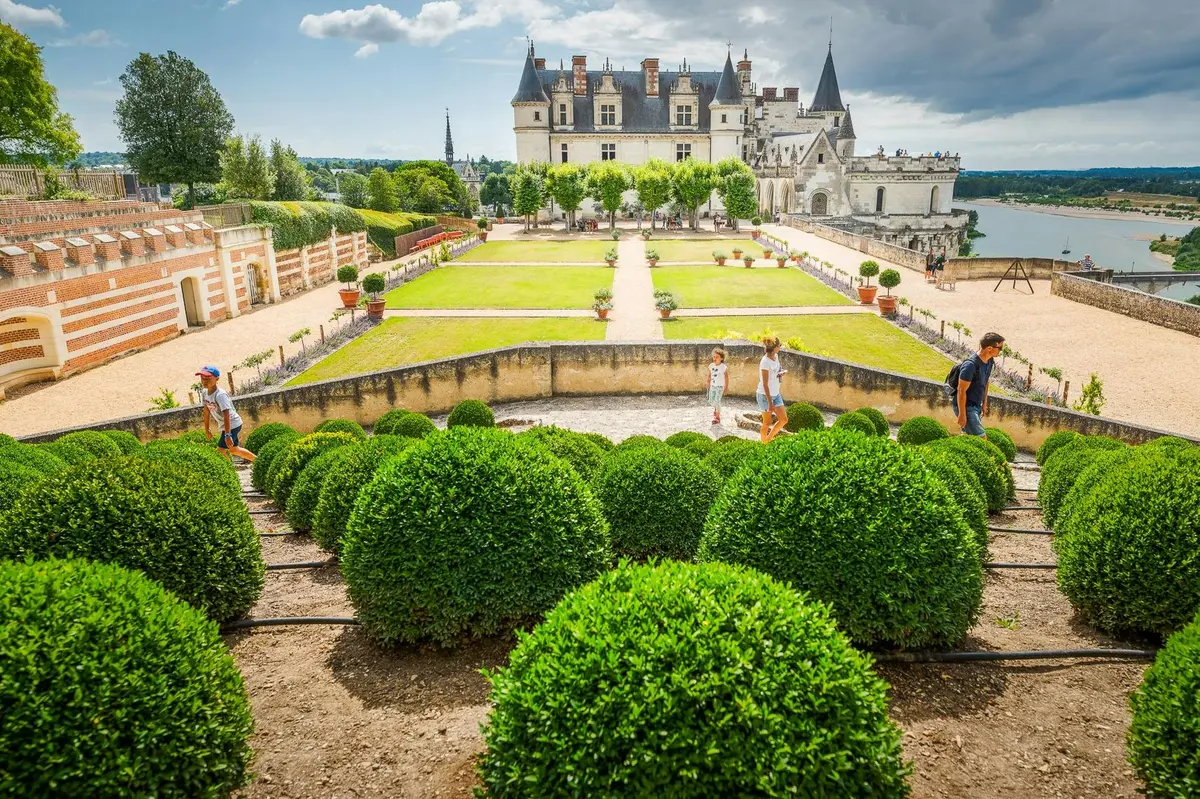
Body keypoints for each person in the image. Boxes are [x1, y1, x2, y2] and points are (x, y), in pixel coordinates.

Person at [196, 365, 256, 462]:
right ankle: (258, 461)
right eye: (202, 378)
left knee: (219, 451)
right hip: (227, 426)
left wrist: (228, 435)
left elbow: (226, 415)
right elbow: (206, 411)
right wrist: (207, 429)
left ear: (217, 379)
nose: (204, 381)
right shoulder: (204, 392)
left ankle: (230, 473)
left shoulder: (220, 395)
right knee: (234, 450)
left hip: (232, 424)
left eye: (208, 378)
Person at [951, 333, 1005, 437]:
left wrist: (984, 403)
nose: (1000, 351)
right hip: (966, 407)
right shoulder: (970, 366)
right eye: (1000, 348)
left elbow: (985, 382)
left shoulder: (989, 361)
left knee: (968, 436)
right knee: (981, 438)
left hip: (976, 405)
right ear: (989, 348)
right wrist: (962, 414)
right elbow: (961, 391)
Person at [756, 337, 789, 442]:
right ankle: (762, 444)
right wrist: (770, 403)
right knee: (766, 423)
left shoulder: (776, 356)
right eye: (779, 346)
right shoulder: (765, 362)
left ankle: (768, 440)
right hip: (765, 395)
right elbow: (765, 384)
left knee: (783, 419)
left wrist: (780, 373)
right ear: (775, 347)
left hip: (776, 393)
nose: (780, 348)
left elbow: (775, 372)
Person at [707, 347, 729, 425]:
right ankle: (716, 409)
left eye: (717, 357)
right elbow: (710, 375)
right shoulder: (711, 365)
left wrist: (726, 388)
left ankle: (717, 417)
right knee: (710, 401)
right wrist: (708, 383)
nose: (715, 358)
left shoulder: (723, 367)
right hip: (712, 386)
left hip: (720, 387)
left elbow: (726, 377)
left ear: (721, 358)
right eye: (714, 356)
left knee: (717, 401)